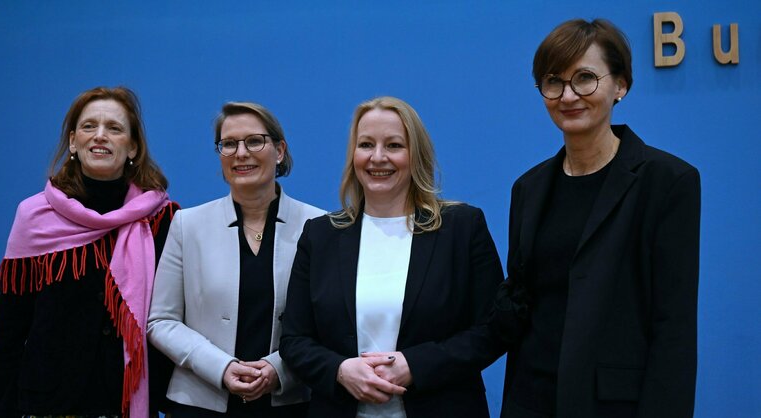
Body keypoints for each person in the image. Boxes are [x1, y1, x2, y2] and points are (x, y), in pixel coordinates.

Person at [498, 19, 701, 418]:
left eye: (585, 78)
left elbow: (673, 328)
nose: (568, 95)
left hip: (613, 405)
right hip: (529, 400)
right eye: (554, 81)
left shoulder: (668, 181)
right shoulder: (529, 188)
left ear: (620, 85)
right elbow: (518, 305)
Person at [279, 96, 505, 418]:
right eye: (366, 144)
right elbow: (295, 340)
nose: (378, 157)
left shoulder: (462, 228)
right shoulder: (320, 235)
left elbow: (494, 328)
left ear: (416, 155)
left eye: (394, 145)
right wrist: (340, 370)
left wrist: (416, 365)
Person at [0, 86, 179, 418]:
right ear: (73, 142)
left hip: (126, 402)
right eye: (89, 126)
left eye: (115, 128)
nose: (100, 136)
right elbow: (9, 330)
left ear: (133, 146)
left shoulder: (162, 220)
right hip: (47, 403)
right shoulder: (33, 217)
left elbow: (177, 320)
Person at [147, 102, 324, 418]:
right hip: (200, 402)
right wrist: (221, 367)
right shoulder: (187, 225)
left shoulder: (319, 227)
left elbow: (329, 325)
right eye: (229, 144)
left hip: (291, 403)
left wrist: (278, 369)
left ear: (279, 151)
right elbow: (161, 321)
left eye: (255, 141)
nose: (241, 153)